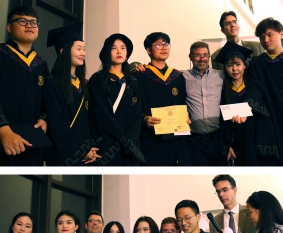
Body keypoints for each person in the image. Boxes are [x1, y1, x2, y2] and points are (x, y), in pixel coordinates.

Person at [44, 23, 100, 166]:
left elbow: (90, 120)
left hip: (86, 155)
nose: (83, 53)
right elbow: (56, 122)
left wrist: (89, 148)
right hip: (63, 153)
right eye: (79, 49)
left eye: (84, 49)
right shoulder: (52, 83)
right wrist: (81, 150)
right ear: (63, 51)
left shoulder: (85, 85)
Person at [0, 5, 48, 166]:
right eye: (22, 21)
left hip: (32, 142)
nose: (29, 25)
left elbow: (46, 100)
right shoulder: (1, 54)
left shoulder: (41, 64)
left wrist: (44, 119)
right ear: (9, 27)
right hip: (4, 139)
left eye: (33, 22)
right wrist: (3, 130)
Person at [88, 33, 145, 166]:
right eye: (114, 48)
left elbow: (137, 115)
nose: (119, 51)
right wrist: (121, 137)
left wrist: (129, 140)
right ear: (107, 52)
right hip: (107, 142)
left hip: (130, 147)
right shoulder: (98, 79)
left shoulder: (133, 82)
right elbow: (99, 112)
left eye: (123, 48)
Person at [245, 17, 283, 166]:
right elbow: (255, 88)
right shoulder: (257, 63)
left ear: (281, 34)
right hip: (274, 117)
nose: (265, 40)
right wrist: (248, 105)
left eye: (269, 34)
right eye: (261, 37)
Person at [137, 32, 191, 166]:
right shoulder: (140, 76)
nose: (164, 48)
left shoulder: (177, 76)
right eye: (158, 44)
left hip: (178, 136)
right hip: (153, 137)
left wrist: (187, 116)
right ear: (148, 50)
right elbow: (134, 106)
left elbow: (184, 101)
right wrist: (144, 118)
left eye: (166, 44)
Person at [183, 41, 226, 166]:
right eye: (197, 55)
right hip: (195, 141)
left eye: (205, 55)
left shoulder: (221, 76)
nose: (202, 58)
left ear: (209, 56)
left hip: (219, 139)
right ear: (190, 57)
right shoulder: (182, 77)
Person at [213, 42, 256, 166]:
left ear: (244, 65)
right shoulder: (222, 90)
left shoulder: (254, 87)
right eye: (230, 65)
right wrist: (228, 146)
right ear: (225, 68)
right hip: (234, 140)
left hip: (253, 137)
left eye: (238, 64)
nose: (234, 69)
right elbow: (222, 121)